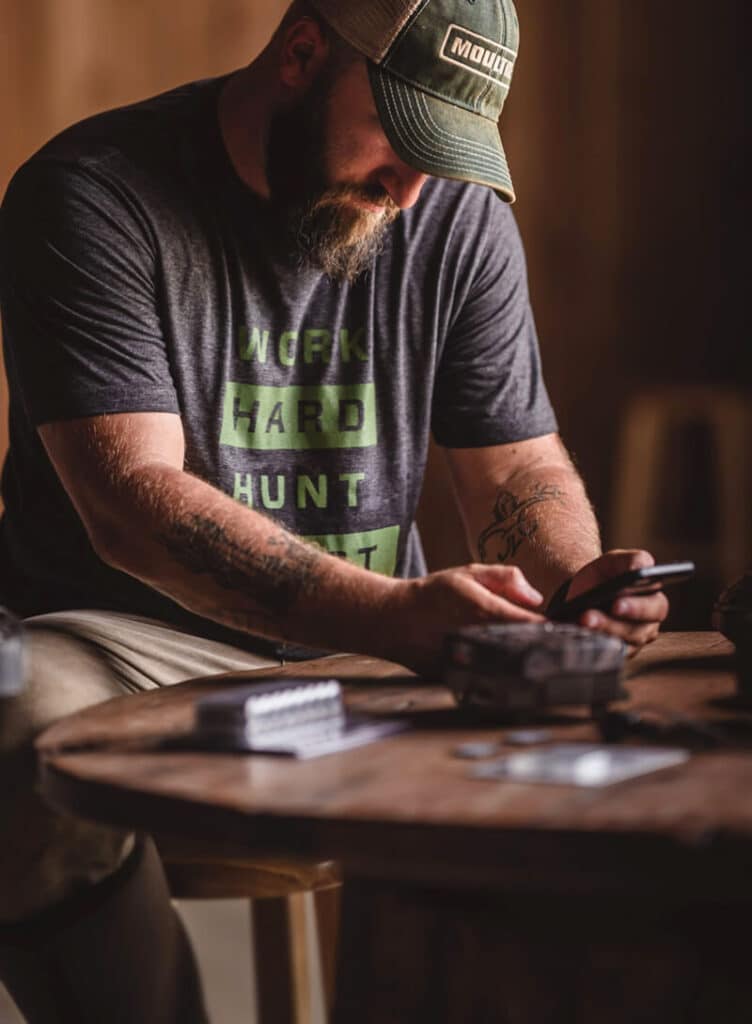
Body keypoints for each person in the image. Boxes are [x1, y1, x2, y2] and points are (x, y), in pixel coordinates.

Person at [0, 0, 668, 1020]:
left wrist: (574, 583)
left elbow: (518, 472)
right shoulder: (90, 194)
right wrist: (394, 616)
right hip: (125, 637)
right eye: (402, 135)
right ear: (302, 54)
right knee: (9, 721)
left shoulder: (453, 215)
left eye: (448, 150)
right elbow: (132, 507)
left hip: (365, 648)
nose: (411, 188)